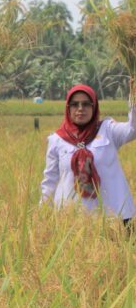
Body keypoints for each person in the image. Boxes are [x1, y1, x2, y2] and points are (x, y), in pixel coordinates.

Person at [40, 84, 136, 227]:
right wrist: (43, 212)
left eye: (86, 104)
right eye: (75, 104)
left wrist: (133, 99)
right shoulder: (57, 140)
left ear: (94, 107)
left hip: (115, 215)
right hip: (72, 217)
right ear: (68, 108)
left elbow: (133, 129)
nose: (80, 108)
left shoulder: (108, 130)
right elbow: (50, 179)